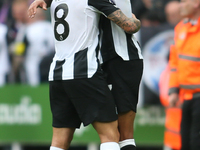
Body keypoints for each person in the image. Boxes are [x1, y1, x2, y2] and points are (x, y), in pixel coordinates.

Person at [28, 1, 141, 150]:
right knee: (110, 135)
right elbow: (130, 26)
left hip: (57, 74)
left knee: (59, 141)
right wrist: (135, 20)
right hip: (84, 72)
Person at [99, 1, 143, 150]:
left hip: (123, 60)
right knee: (111, 134)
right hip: (99, 63)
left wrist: (135, 22)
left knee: (123, 135)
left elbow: (131, 26)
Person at [168, 0, 200, 149]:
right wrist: (173, 90)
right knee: (186, 143)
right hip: (186, 97)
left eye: (183, 1)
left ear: (196, 3)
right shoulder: (180, 28)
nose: (179, 5)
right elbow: (174, 63)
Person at [13, 8, 54, 86]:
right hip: (52, 62)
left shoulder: (26, 29)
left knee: (34, 88)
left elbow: (19, 52)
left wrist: (15, 69)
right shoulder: (51, 27)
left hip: (32, 64)